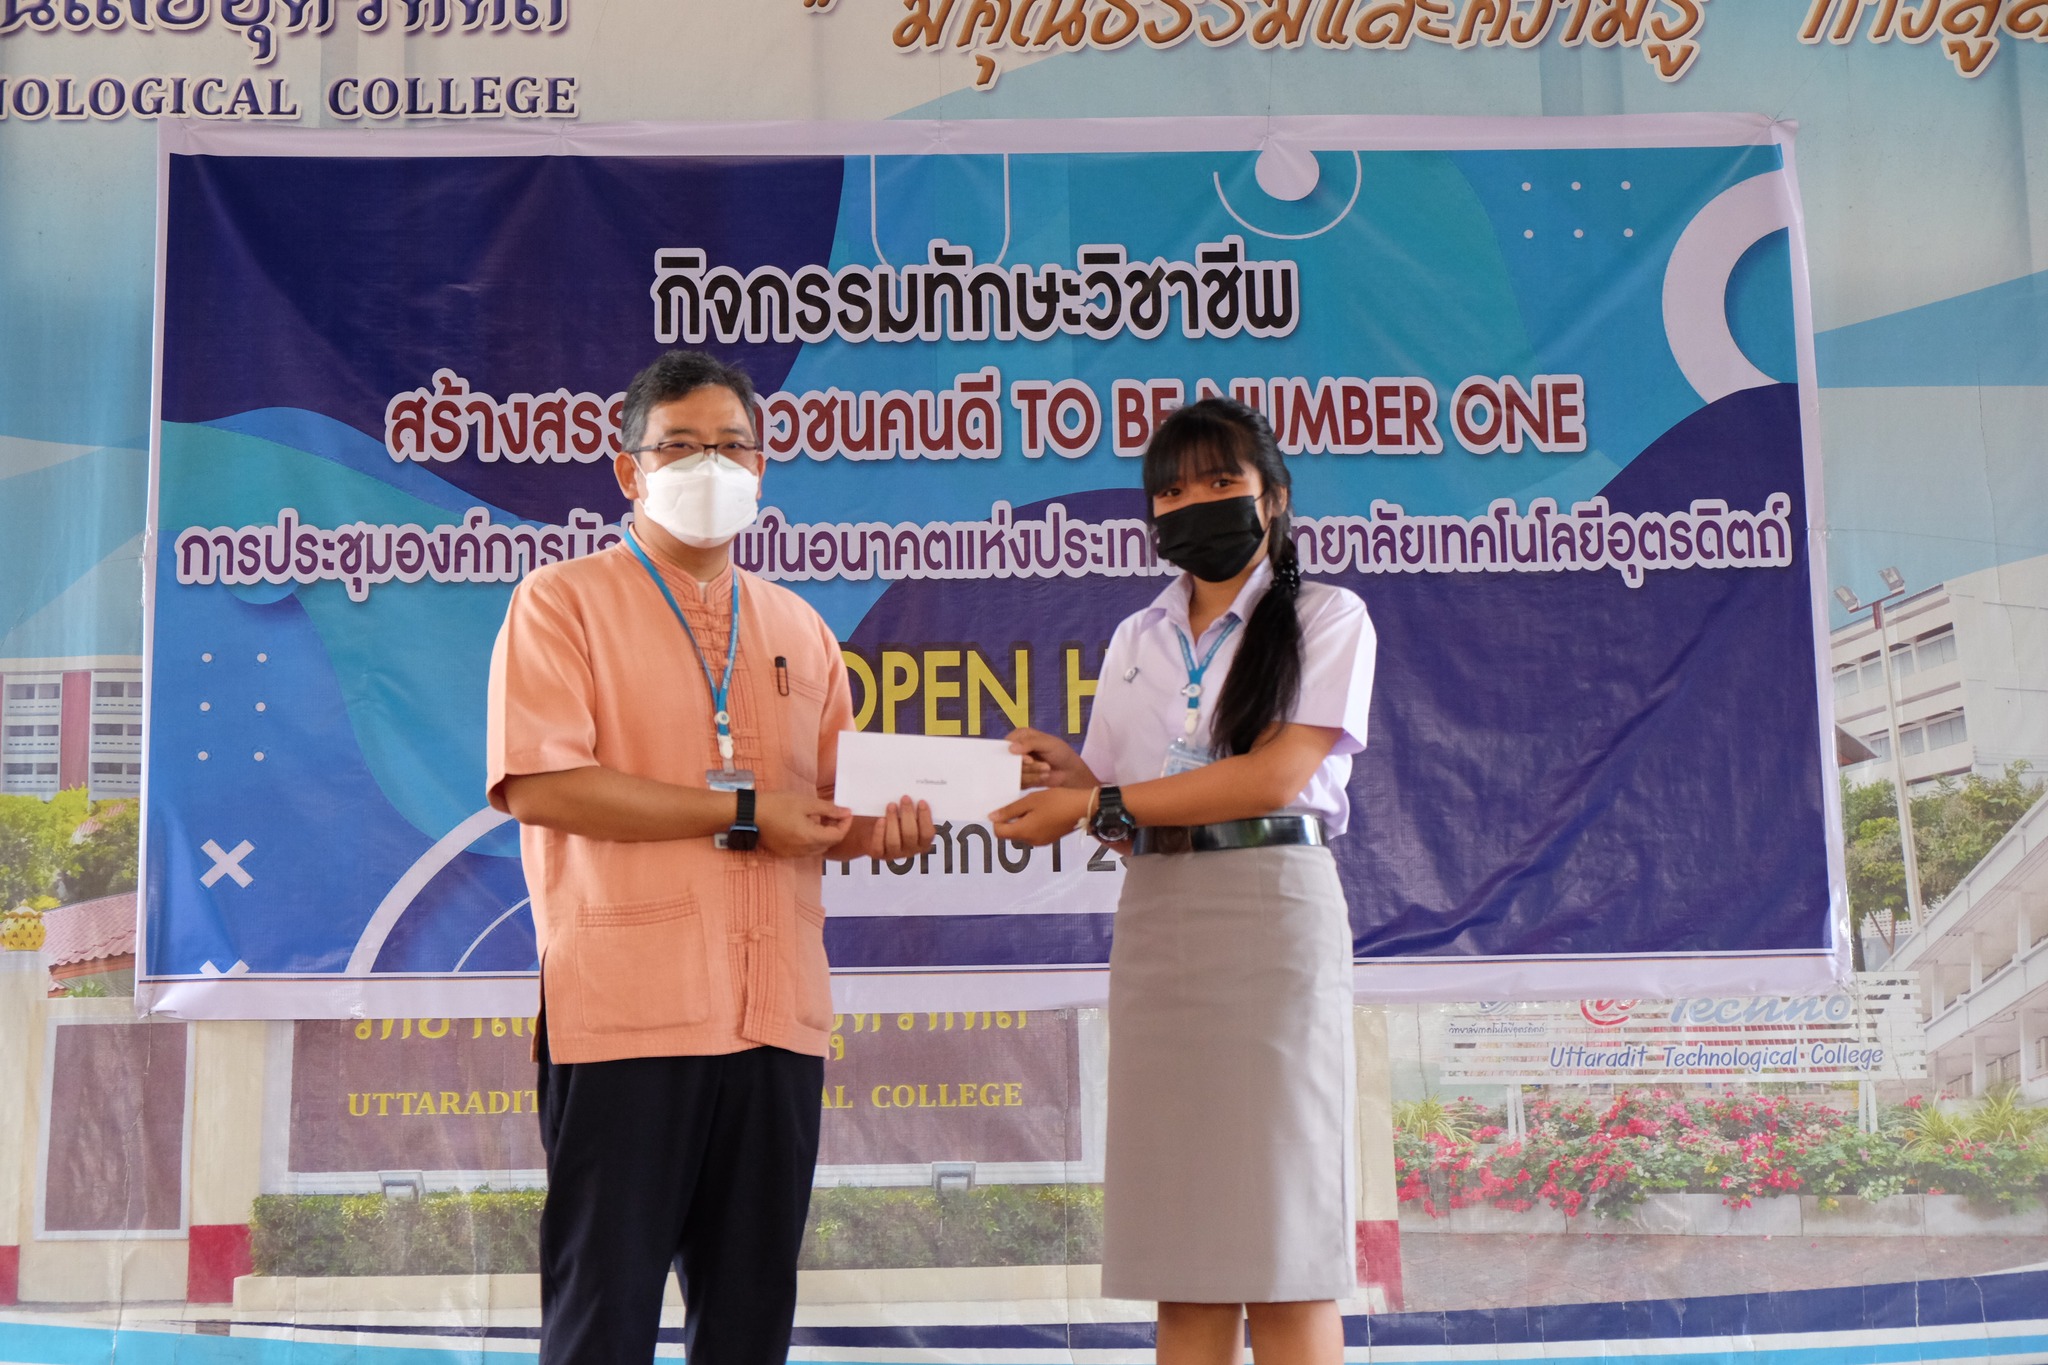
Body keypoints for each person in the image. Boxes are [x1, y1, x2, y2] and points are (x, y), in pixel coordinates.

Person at [486, 349, 933, 1365]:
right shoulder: (560, 602)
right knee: (602, 1319)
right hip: (626, 1015)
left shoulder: (801, 628)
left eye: (733, 446)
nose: (710, 466)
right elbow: (543, 786)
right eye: (679, 446)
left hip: (775, 1019)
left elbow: (819, 812)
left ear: (764, 468)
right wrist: (740, 814)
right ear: (626, 470)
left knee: (747, 1328)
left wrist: (887, 830)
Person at [991, 397, 1376, 1365]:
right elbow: (1131, 809)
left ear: (1272, 498)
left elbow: (1272, 775)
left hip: (1270, 913)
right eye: (1168, 491)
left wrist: (1092, 803)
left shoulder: (1328, 615)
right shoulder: (1134, 638)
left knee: (1283, 1250)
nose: (1191, 505)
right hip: (1158, 921)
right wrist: (1073, 783)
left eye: (1217, 482)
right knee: (1183, 1252)